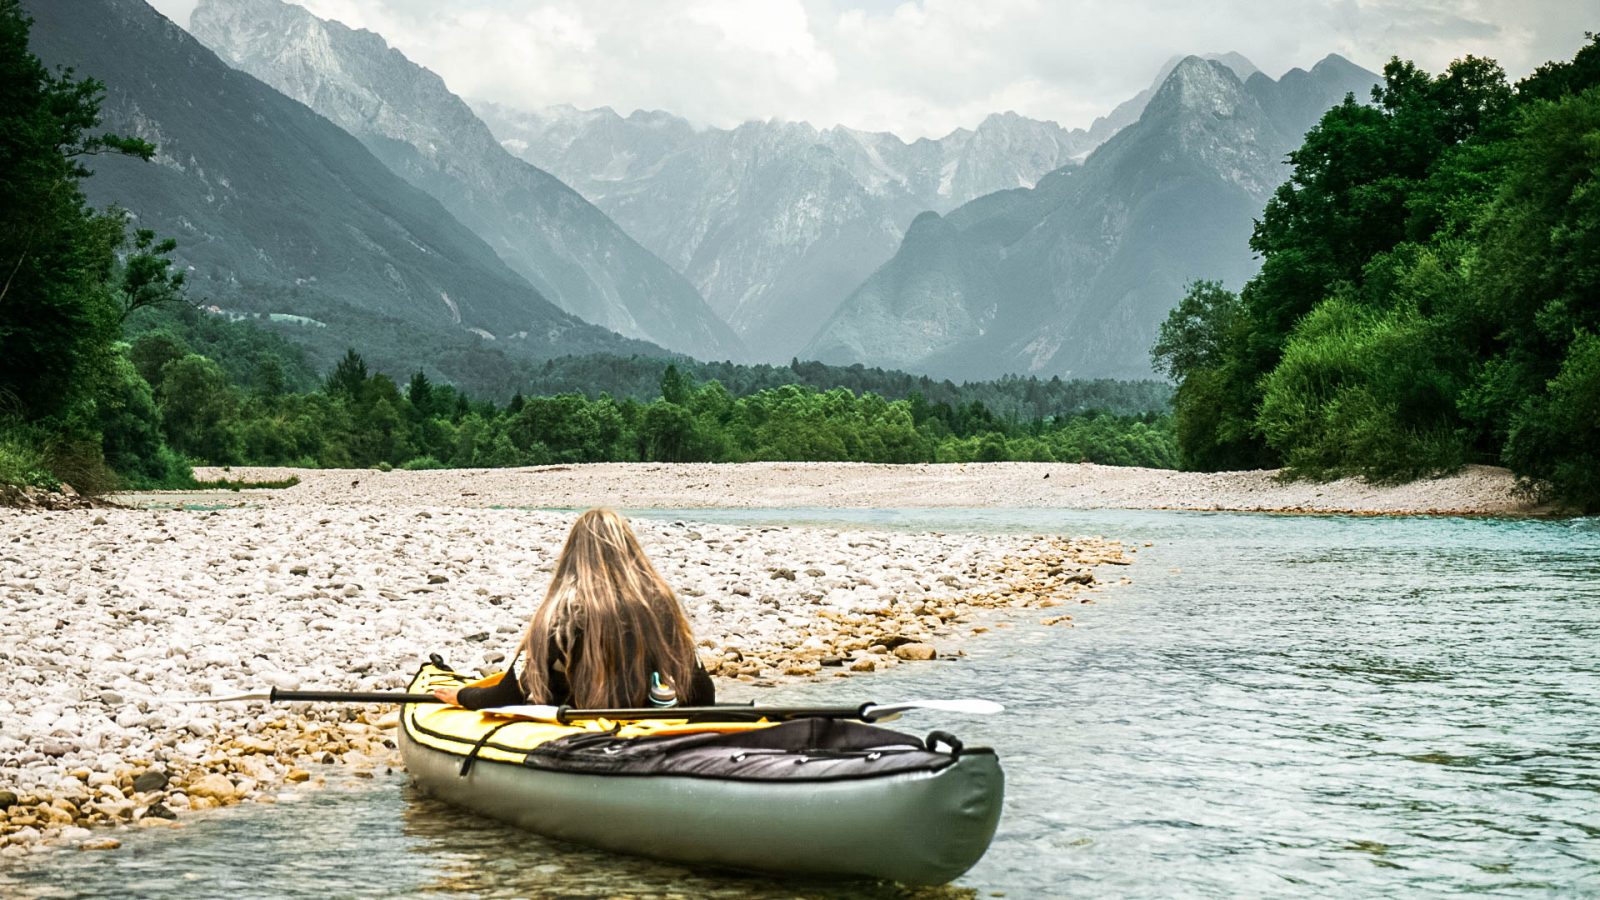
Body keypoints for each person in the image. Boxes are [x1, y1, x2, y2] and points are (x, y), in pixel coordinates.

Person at [432, 507, 715, 710]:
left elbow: (510, 693)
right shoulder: (659, 602)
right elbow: (703, 691)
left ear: (572, 555)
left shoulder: (563, 609)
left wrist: (463, 696)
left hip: (582, 731)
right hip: (653, 729)